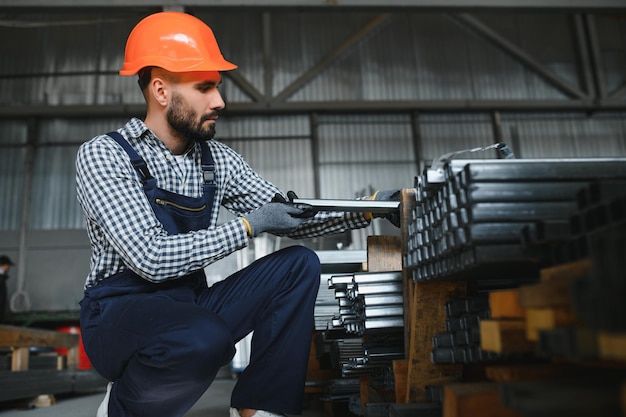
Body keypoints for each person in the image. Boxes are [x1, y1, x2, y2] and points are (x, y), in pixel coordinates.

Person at [75, 11, 400, 417]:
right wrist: (249, 226)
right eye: (205, 87)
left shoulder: (218, 162)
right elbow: (152, 259)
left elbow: (287, 214)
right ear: (161, 90)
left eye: (218, 87)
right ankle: (122, 407)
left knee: (298, 265)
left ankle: (260, 408)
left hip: (188, 306)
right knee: (203, 338)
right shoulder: (105, 155)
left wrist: (372, 209)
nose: (219, 101)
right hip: (119, 314)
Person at [0, 255, 14, 323]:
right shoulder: (1, 277)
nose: (9, 268)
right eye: (8, 265)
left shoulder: (2, 277)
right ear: (5, 265)